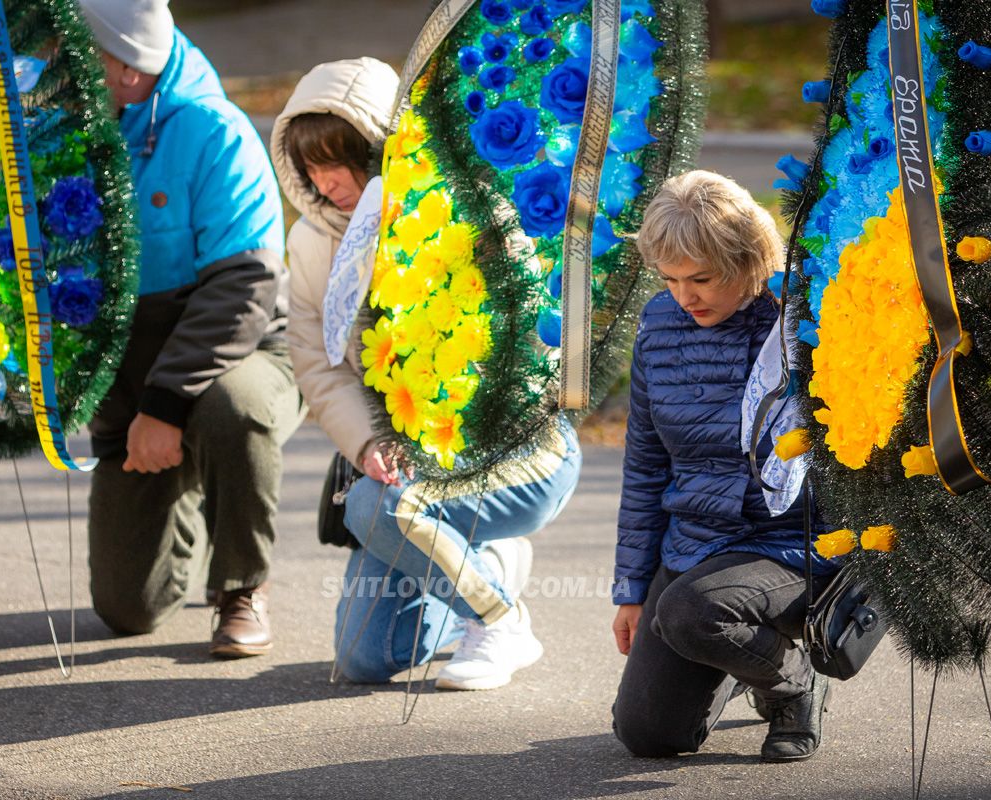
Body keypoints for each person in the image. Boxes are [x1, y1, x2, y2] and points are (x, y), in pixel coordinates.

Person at [271, 58, 581, 691]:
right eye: (311, 166)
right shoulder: (309, 243)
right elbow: (319, 363)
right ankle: (484, 569)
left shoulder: (462, 204)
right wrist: (368, 443)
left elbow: (532, 330)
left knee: (369, 503)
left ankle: (500, 618)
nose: (327, 181)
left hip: (512, 454)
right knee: (363, 658)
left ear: (386, 147)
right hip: (401, 470)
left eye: (342, 160)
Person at [78, 0, 303, 658]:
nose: (64, 66)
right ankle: (184, 474)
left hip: (243, 350)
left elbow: (244, 286)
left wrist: (165, 404)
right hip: (138, 375)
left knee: (231, 410)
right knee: (127, 609)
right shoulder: (77, 127)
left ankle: (241, 586)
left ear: (125, 67)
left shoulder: (215, 131)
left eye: (82, 52)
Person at [610, 170, 837, 761]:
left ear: (748, 261)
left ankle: (788, 686)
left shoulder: (803, 322)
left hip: (788, 543)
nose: (685, 297)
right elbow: (645, 463)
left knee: (692, 613)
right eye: (670, 279)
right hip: (694, 543)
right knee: (649, 735)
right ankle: (738, 652)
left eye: (702, 279)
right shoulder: (658, 325)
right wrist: (632, 589)